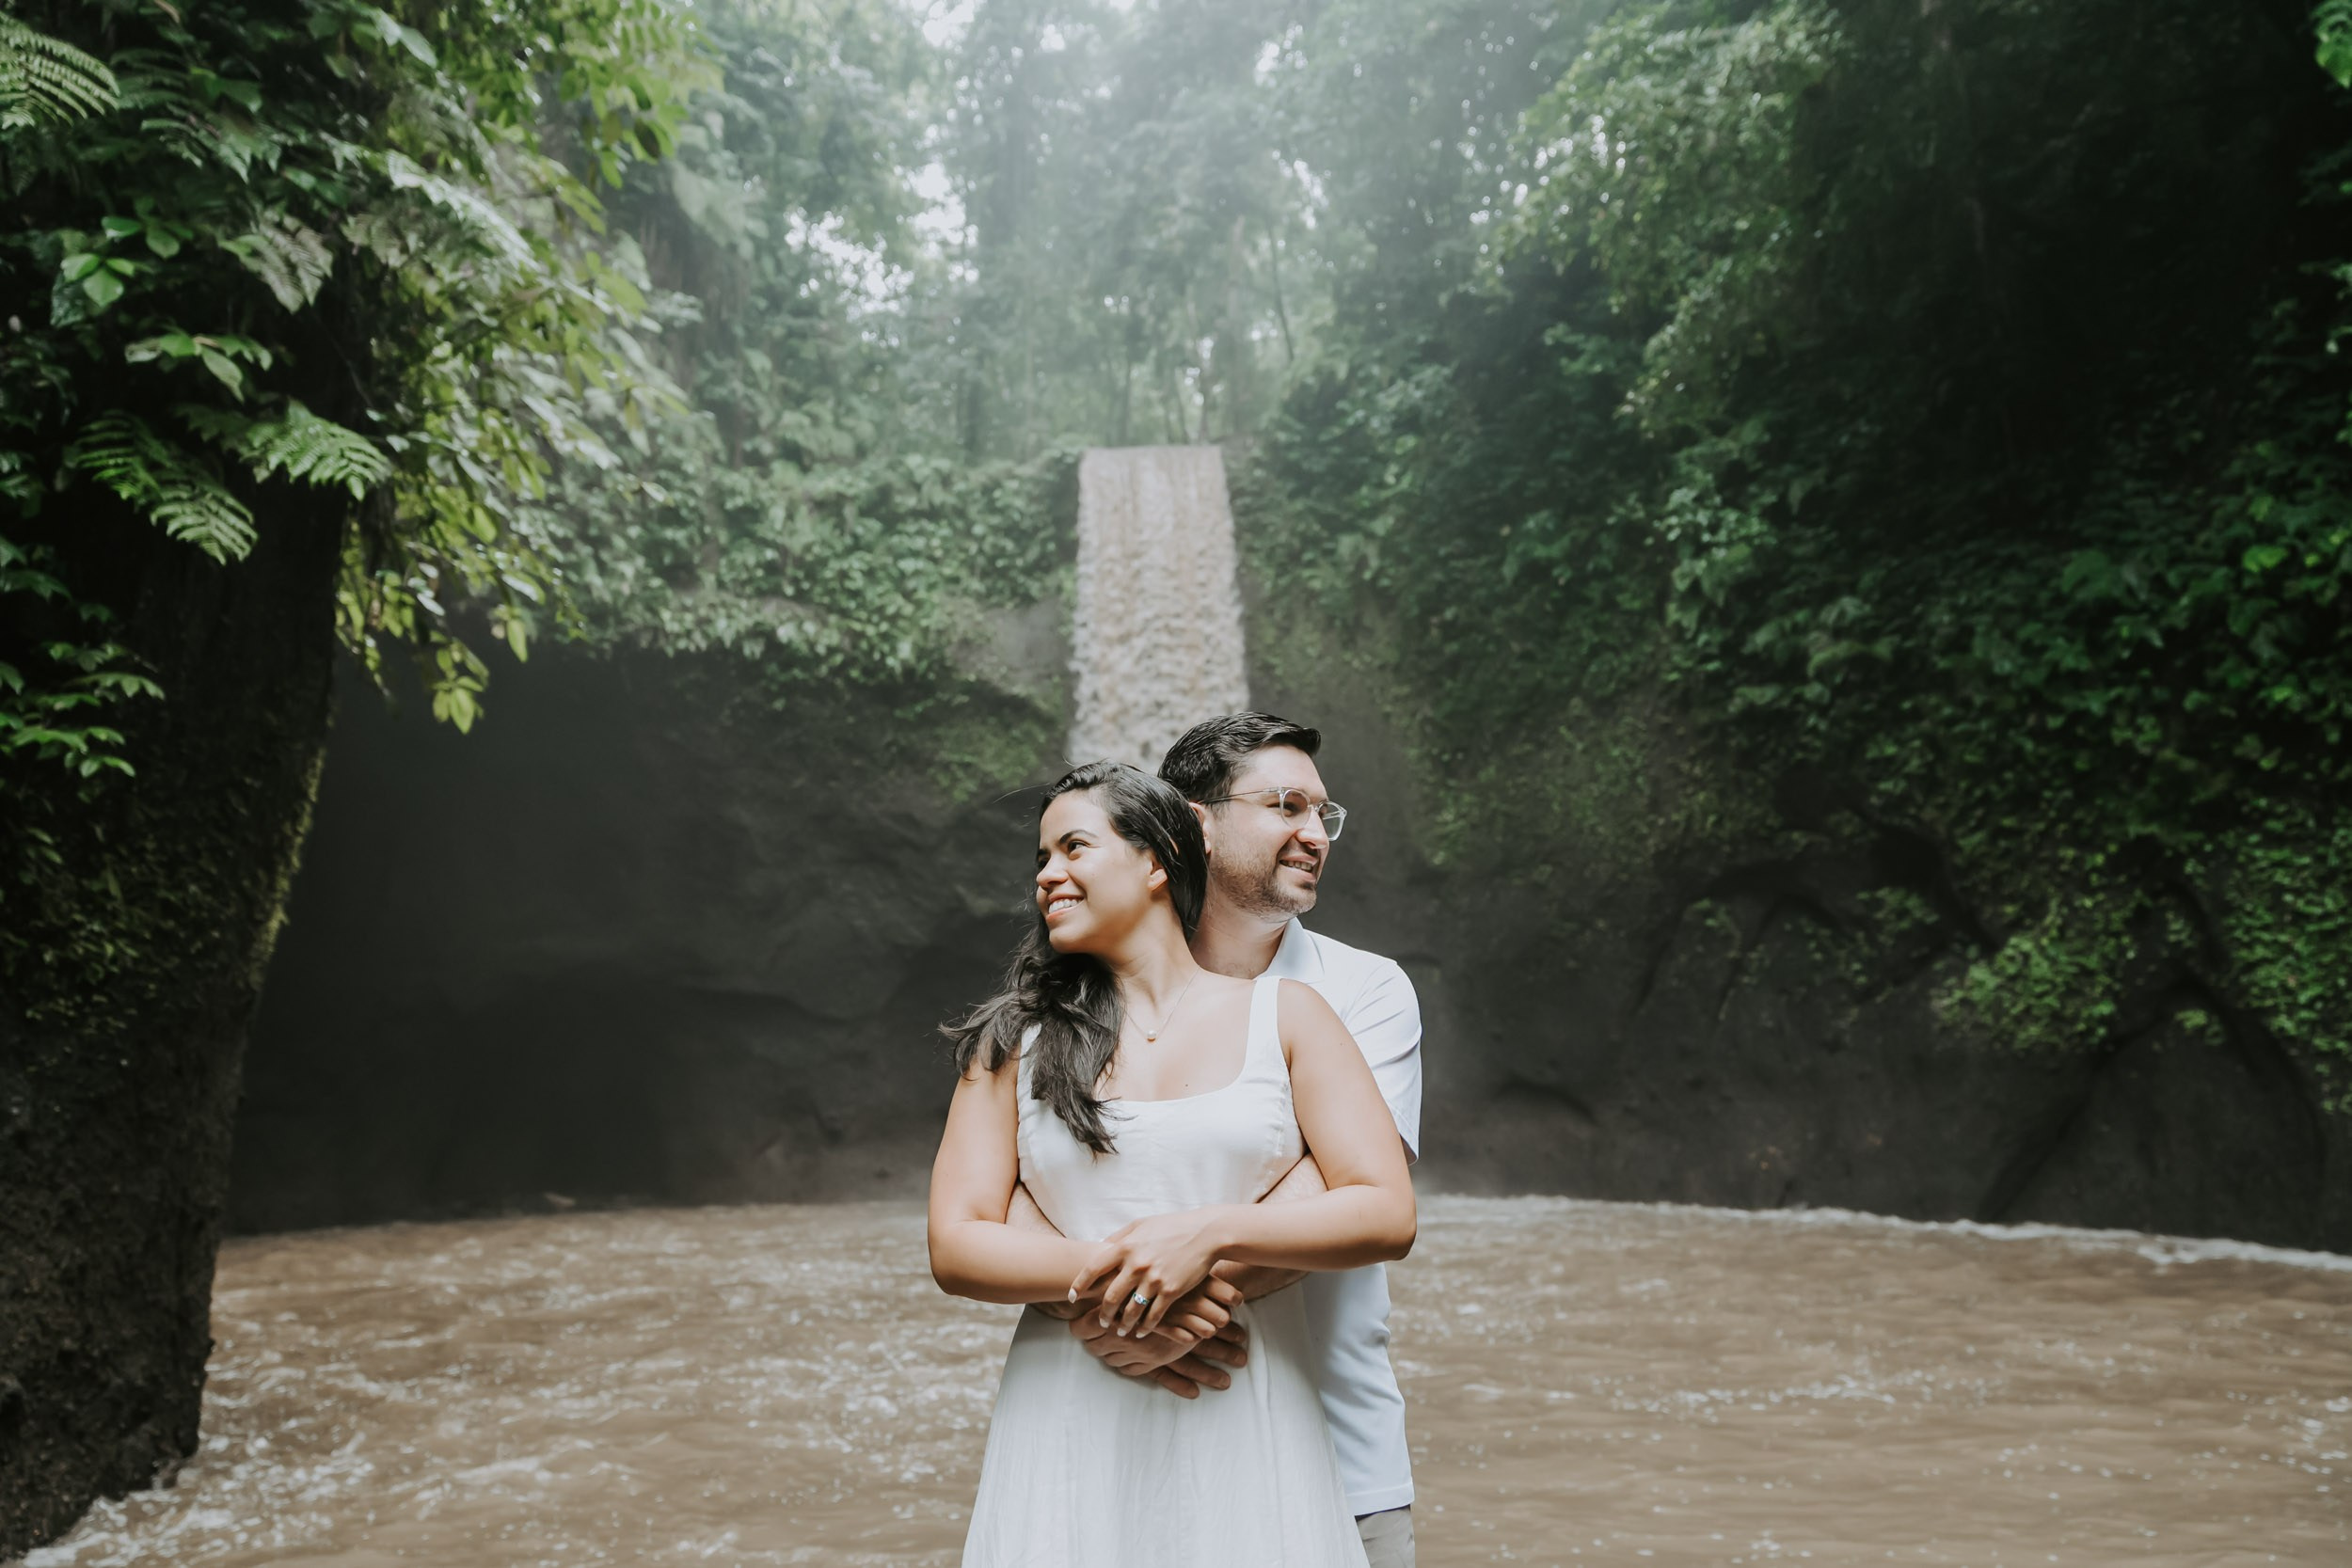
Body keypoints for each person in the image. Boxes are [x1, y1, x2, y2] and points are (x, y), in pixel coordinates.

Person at [929, 759, 1416, 1567]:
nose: (1049, 875)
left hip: (1245, 1400)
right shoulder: (1013, 1041)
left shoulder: (1290, 1014)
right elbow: (957, 1241)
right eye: (1042, 859)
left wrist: (1208, 1234)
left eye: (1074, 847)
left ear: (1157, 859)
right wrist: (1120, 1284)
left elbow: (1383, 1209)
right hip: (1069, 1405)